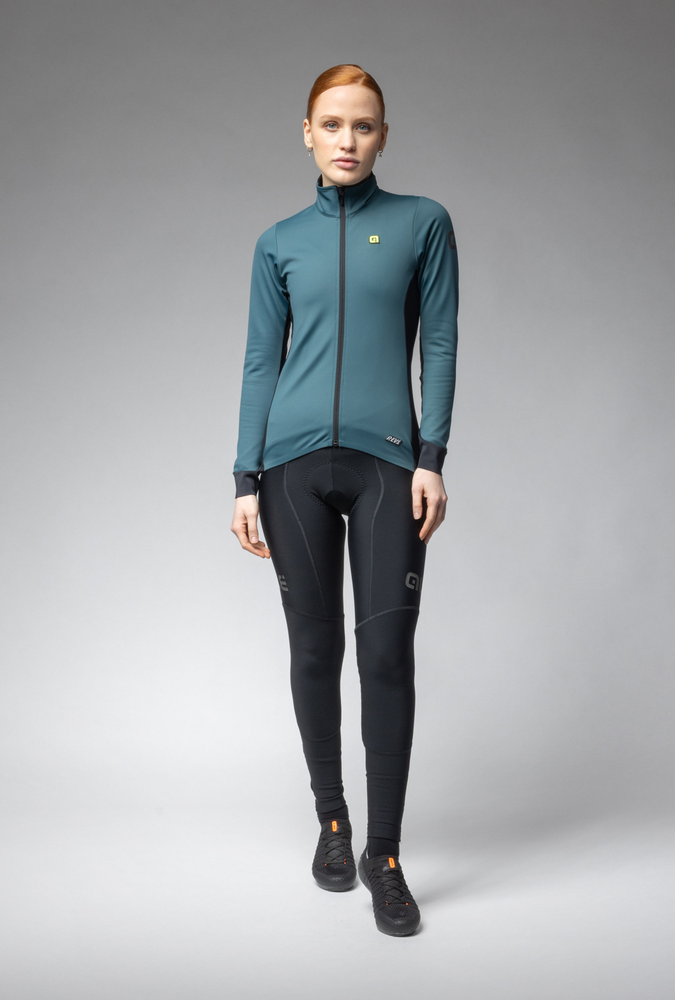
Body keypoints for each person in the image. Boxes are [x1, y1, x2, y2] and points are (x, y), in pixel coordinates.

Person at [230, 64, 458, 937]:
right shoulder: (277, 242)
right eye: (331, 124)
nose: (347, 140)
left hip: (388, 465)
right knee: (314, 650)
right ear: (306, 133)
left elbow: (439, 342)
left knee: (387, 657)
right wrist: (242, 477)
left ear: (383, 136)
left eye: (363, 125)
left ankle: (384, 856)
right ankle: (332, 821)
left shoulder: (421, 223)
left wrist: (431, 457)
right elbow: (260, 360)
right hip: (289, 471)